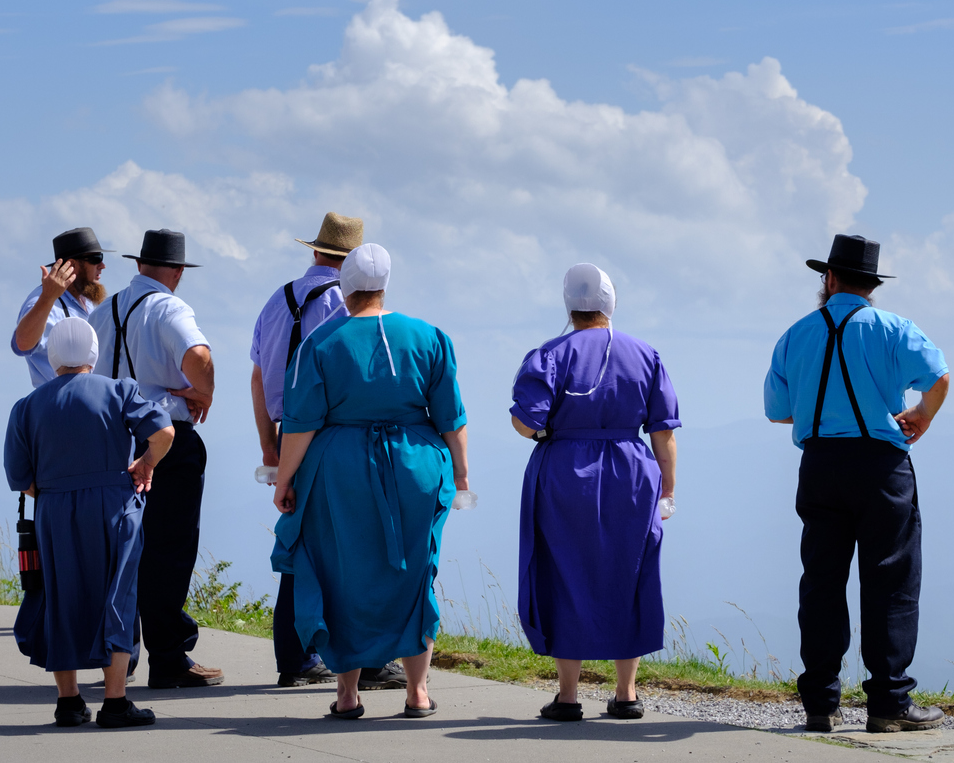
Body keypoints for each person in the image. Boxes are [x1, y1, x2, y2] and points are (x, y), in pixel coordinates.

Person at [271, 243, 469, 719]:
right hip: (415, 465)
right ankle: (417, 693)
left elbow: (300, 424)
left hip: (339, 469)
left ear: (345, 287)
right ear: (385, 286)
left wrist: (284, 480)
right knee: (415, 571)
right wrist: (460, 475)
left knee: (342, 574)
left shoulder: (319, 343)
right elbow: (452, 418)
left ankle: (347, 694)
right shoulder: (429, 337)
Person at [764, 234, 950, 735]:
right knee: (891, 579)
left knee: (821, 580)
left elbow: (778, 412)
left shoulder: (795, 334)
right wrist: (921, 417)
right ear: (871, 284)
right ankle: (889, 702)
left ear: (828, 279)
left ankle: (821, 703)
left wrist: (820, 413)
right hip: (881, 466)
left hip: (820, 463)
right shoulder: (893, 328)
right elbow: (939, 376)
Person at [510, 264, 680, 722]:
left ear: (570, 308)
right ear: (611, 304)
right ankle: (626, 695)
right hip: (632, 472)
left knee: (564, 573)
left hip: (565, 472)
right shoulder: (646, 354)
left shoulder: (549, 353)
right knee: (631, 572)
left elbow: (527, 422)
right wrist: (667, 492)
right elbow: (664, 433)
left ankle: (568, 697)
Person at [250, 212, 406, 691]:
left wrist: (270, 450)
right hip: (330, 435)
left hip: (284, 432)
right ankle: (367, 656)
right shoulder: (342, 304)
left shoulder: (279, 299)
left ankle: (295, 655)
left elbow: (258, 377)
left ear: (315, 250)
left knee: (299, 544)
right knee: (354, 544)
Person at [4, 318, 175, 728]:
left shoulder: (27, 406)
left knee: (60, 596)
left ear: (53, 356)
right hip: (115, 503)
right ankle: (115, 702)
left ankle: (69, 702)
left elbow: (19, 477)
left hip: (54, 508)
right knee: (118, 594)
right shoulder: (120, 390)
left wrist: (56, 491)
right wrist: (144, 464)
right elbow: (165, 432)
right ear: (94, 354)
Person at [89, 228, 224, 689]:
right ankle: (168, 656)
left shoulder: (104, 310)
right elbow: (199, 356)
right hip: (164, 435)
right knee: (169, 546)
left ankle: (118, 653)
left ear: (140, 263)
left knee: (121, 547)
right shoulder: (167, 307)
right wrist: (198, 390)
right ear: (177, 271)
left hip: (109, 437)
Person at [12, 227, 112, 388]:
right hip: (60, 405)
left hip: (89, 399)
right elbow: (22, 343)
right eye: (95, 258)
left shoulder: (84, 302)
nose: (102, 265)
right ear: (71, 264)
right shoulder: (43, 302)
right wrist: (47, 298)